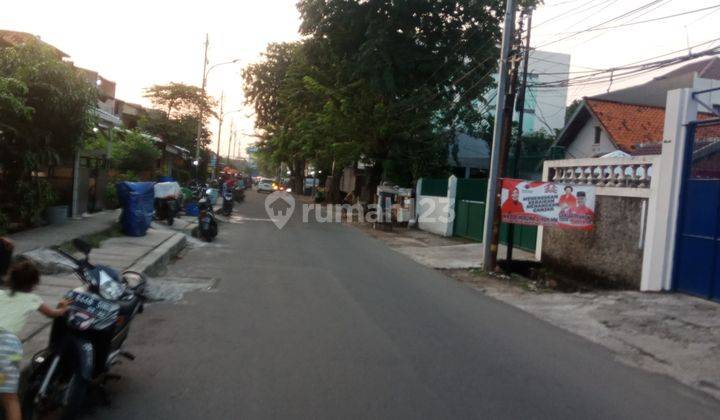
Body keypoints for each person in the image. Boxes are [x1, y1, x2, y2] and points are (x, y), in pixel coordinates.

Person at [1, 259, 69, 420]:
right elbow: (53, 314)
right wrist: (63, 307)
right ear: (34, 284)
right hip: (8, 347)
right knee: (10, 399)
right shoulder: (33, 299)